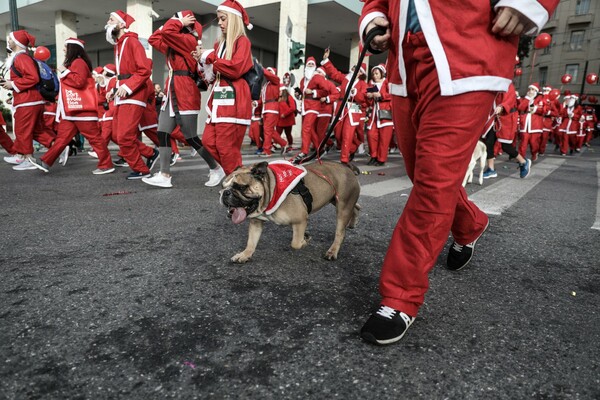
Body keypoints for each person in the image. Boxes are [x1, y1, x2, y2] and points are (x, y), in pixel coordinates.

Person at [358, 0, 558, 345]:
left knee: (434, 182)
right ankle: (469, 223)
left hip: (471, 48)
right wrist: (375, 16)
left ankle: (400, 295)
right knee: (421, 174)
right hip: (405, 62)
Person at [145, 10, 224, 188]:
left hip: (186, 91)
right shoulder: (174, 44)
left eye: (178, 20)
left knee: (190, 137)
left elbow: (166, 33)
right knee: (163, 132)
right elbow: (153, 39)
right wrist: (176, 22)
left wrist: (177, 22)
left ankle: (216, 168)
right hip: (172, 91)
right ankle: (164, 175)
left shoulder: (189, 41)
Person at [29, 38, 114, 175]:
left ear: (72, 48)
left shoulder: (78, 62)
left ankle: (106, 164)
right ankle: (46, 161)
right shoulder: (77, 62)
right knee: (62, 138)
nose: (63, 49)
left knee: (94, 139)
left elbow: (79, 82)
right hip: (73, 110)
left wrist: (64, 71)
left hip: (81, 110)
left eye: (65, 47)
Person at [192, 0, 253, 177]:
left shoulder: (242, 41)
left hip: (233, 99)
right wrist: (201, 61)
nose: (219, 22)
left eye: (223, 18)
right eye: (218, 19)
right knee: (209, 142)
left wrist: (209, 57)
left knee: (227, 148)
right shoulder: (220, 44)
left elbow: (236, 68)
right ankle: (237, 176)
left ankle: (237, 182)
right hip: (218, 99)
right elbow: (211, 76)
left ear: (233, 19)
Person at [105, 10, 157, 180]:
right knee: (117, 135)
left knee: (125, 136)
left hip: (133, 95)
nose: (108, 22)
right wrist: (114, 91)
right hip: (124, 94)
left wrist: (127, 87)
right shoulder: (119, 44)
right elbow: (123, 75)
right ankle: (150, 153)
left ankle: (142, 169)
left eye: (111, 19)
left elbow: (144, 70)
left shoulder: (132, 42)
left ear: (121, 24)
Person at [1, 30, 46, 171]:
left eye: (10, 39)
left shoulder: (21, 57)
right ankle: (59, 147)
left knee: (22, 131)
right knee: (34, 131)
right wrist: (10, 84)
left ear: (18, 42)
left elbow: (33, 78)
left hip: (28, 100)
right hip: (28, 100)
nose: (8, 41)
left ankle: (28, 158)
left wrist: (12, 84)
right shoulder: (21, 57)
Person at [320, 51, 368, 169]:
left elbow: (363, 99)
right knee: (338, 134)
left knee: (348, 133)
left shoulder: (363, 84)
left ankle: (344, 159)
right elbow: (334, 73)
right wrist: (326, 60)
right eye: (353, 67)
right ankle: (354, 146)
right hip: (342, 107)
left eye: (356, 68)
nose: (353, 69)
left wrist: (355, 93)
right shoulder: (346, 78)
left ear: (360, 73)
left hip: (354, 107)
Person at [481, 83, 531, 179]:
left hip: (507, 118)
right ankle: (491, 169)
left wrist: (502, 106)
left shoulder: (508, 84)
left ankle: (523, 162)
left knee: (506, 146)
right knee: (489, 143)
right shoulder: (493, 83)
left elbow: (509, 99)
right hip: (494, 118)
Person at [365, 64, 393, 166]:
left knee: (384, 139)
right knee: (371, 135)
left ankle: (381, 159)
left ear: (382, 73)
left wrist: (381, 95)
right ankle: (373, 156)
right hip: (373, 115)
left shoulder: (387, 83)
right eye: (373, 74)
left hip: (385, 114)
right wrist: (368, 96)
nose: (375, 76)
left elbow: (393, 95)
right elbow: (367, 100)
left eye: (376, 73)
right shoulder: (371, 84)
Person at [257, 67, 288, 157]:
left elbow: (269, 75)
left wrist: (261, 68)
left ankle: (267, 150)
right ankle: (283, 143)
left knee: (267, 129)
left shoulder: (275, 80)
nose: (268, 72)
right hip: (266, 108)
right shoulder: (265, 85)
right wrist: (256, 103)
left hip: (272, 108)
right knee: (269, 130)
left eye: (270, 71)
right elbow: (262, 99)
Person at [517, 83, 544, 161]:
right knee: (523, 142)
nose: (530, 91)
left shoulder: (541, 99)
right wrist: (527, 98)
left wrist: (536, 109)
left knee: (533, 142)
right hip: (525, 123)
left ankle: (534, 153)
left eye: (533, 89)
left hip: (535, 124)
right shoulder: (526, 98)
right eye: (530, 89)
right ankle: (521, 157)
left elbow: (544, 110)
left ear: (536, 91)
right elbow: (521, 107)